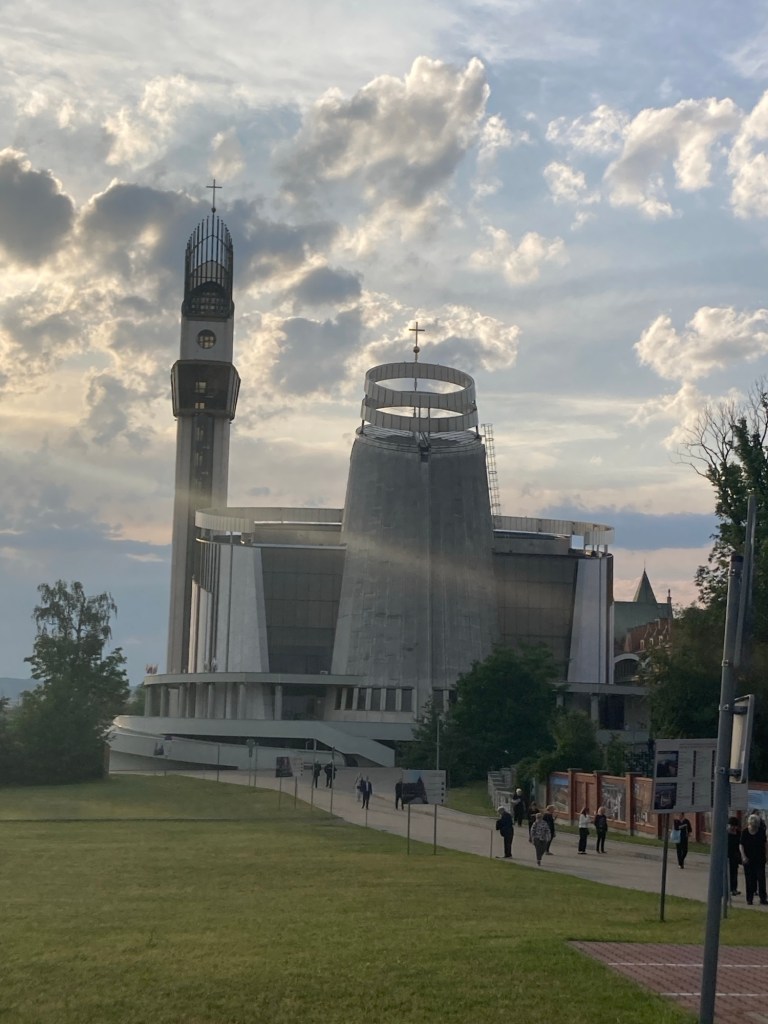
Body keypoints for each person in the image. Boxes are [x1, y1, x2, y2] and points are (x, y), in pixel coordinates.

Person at [740, 813, 768, 905]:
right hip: (748, 860)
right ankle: (749, 899)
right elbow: (741, 845)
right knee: (749, 880)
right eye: (753, 826)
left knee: (761, 878)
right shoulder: (745, 832)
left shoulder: (761, 832)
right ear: (749, 824)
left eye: (756, 826)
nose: (754, 828)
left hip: (760, 859)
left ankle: (763, 898)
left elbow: (765, 844)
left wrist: (766, 855)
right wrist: (743, 856)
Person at [727, 816, 742, 896]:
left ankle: (734, 889)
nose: (733, 828)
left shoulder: (738, 833)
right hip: (727, 855)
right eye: (732, 825)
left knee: (734, 873)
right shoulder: (726, 833)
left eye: (735, 826)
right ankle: (727, 888)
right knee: (727, 873)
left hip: (735, 856)